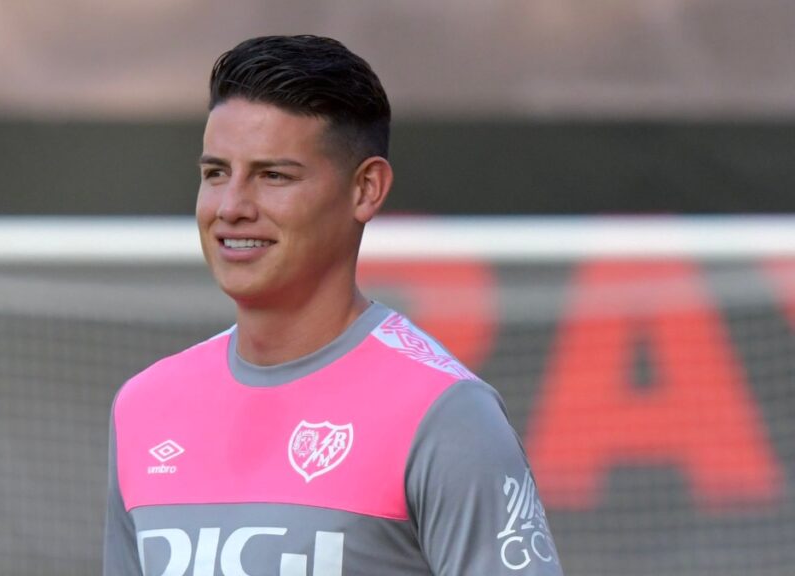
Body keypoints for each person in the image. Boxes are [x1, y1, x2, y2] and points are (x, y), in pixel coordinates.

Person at [104, 35, 562, 576]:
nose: (231, 207)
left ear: (366, 189)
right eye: (215, 174)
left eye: (273, 175)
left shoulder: (444, 414)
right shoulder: (145, 406)